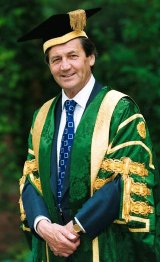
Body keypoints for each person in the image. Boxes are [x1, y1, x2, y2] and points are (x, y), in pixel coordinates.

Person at [18, 8, 160, 262]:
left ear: (90, 57)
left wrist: (70, 232)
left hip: (102, 246)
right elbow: (31, 178)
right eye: (56, 59)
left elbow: (123, 182)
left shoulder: (119, 109)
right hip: (51, 248)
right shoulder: (42, 116)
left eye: (73, 56)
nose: (65, 66)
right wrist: (43, 227)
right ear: (49, 65)